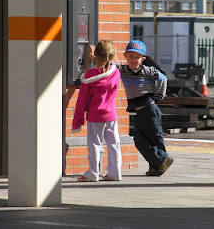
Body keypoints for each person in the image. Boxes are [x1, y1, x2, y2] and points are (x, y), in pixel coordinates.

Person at [120, 40, 173, 176]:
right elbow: (109, 67)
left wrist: (158, 96)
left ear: (142, 59)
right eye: (130, 56)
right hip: (139, 112)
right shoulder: (123, 71)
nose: (133, 60)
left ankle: (156, 166)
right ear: (125, 56)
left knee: (155, 138)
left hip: (150, 110)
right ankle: (161, 161)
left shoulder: (147, 71)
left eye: (137, 57)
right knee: (139, 139)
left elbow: (163, 79)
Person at [72, 40, 122, 182]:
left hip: (95, 116)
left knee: (94, 144)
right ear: (111, 58)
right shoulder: (115, 73)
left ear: (96, 55)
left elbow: (82, 101)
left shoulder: (89, 76)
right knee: (114, 144)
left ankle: (93, 173)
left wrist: (78, 121)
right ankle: (115, 173)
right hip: (111, 115)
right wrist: (97, 60)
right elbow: (105, 70)